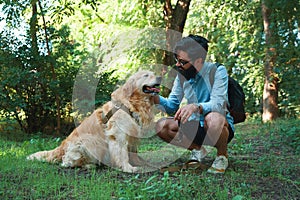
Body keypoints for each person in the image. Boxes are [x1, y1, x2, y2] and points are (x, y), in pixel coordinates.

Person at [154, 34, 235, 174]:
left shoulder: (217, 71)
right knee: (162, 126)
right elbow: (172, 105)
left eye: (182, 61)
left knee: (213, 118)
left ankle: (222, 156)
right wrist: (155, 98)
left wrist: (197, 107)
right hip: (193, 127)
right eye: (176, 60)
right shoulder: (181, 75)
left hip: (217, 128)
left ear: (198, 61)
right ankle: (197, 150)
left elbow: (218, 104)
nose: (178, 65)